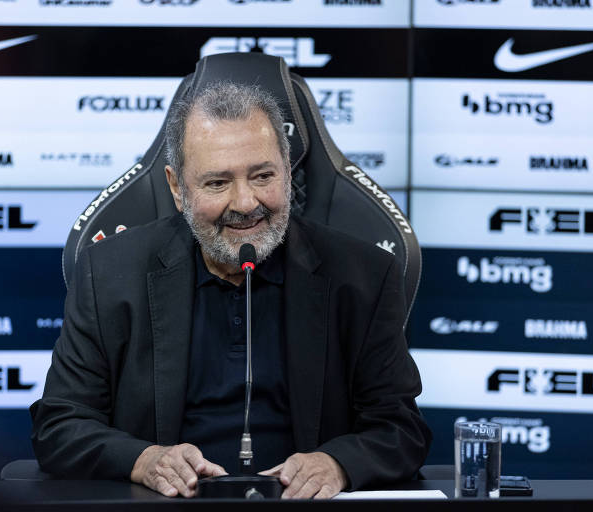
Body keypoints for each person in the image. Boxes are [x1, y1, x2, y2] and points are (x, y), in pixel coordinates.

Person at [30, 82, 432, 499]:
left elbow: (401, 428)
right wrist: (143, 460)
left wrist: (337, 464)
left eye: (263, 176)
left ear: (288, 170)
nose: (245, 203)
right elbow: (60, 424)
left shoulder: (363, 275)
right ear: (176, 188)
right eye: (218, 183)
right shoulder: (110, 272)